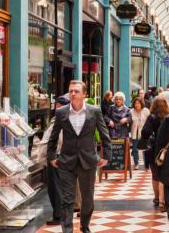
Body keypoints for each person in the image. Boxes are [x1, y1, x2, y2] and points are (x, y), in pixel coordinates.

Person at [47, 80, 111, 233]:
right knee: (67, 199)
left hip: (88, 160)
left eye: (76, 91)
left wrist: (106, 155)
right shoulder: (61, 112)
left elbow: (104, 134)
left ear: (84, 94)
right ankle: (67, 229)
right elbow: (53, 137)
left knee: (87, 199)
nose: (73, 94)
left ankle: (84, 225)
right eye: (71, 91)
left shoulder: (94, 111)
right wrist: (51, 157)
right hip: (66, 162)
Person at [42, 94, 71, 225]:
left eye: (57, 104)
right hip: (60, 156)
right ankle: (60, 214)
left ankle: (58, 215)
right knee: (59, 187)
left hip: (56, 157)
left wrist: (53, 155)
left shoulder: (60, 119)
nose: (56, 106)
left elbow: (58, 139)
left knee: (55, 187)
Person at [138, 95, 169, 210]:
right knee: (166, 174)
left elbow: (145, 133)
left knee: (155, 175)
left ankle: (157, 198)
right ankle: (165, 198)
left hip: (155, 150)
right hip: (168, 150)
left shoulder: (152, 118)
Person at [130, 97, 150, 169]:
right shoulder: (131, 111)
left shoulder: (146, 111)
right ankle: (136, 164)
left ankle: (147, 165)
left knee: (145, 149)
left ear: (141, 103)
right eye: (135, 103)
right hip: (134, 132)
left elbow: (149, 121)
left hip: (144, 133)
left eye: (138, 103)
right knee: (135, 149)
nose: (137, 105)